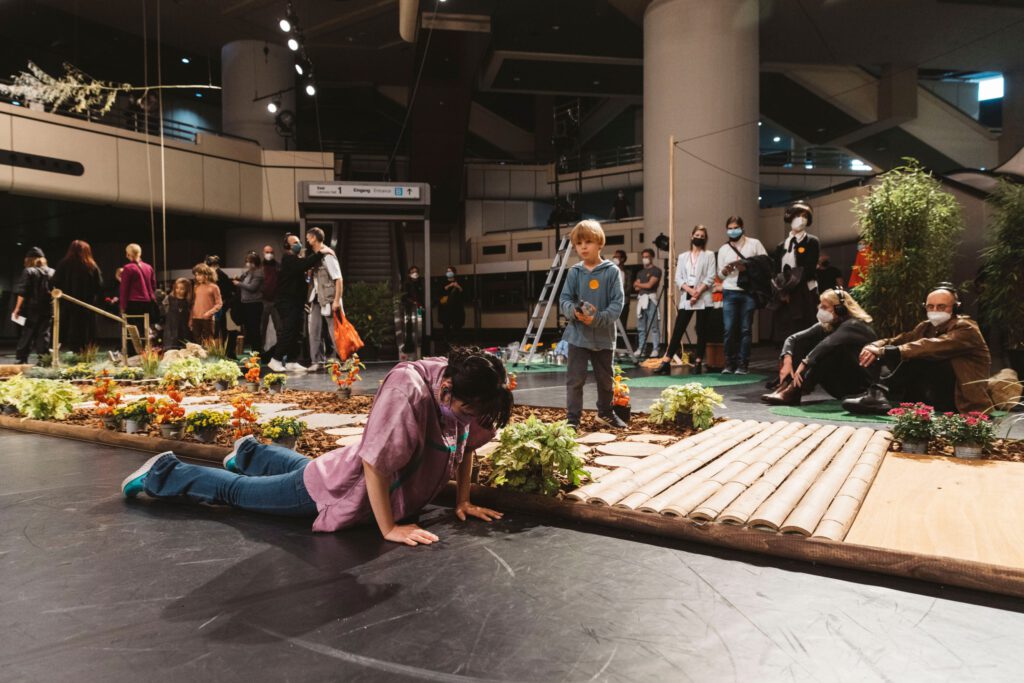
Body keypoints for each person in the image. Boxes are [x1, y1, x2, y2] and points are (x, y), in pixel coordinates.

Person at [120, 347, 513, 545]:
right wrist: (389, 528)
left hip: (346, 473)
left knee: (316, 469)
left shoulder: (471, 387)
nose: (468, 419)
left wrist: (462, 500)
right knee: (235, 491)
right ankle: (164, 473)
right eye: (465, 409)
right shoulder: (408, 390)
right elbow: (375, 464)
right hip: (339, 488)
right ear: (447, 389)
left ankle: (251, 454)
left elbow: (467, 444)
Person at [843, 284, 993, 414]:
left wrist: (887, 351)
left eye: (941, 306)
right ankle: (877, 394)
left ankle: (879, 393)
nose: (935, 310)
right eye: (930, 306)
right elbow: (899, 340)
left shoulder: (966, 328)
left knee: (920, 354)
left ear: (955, 308)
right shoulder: (926, 327)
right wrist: (874, 346)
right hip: (934, 393)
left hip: (962, 399)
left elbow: (931, 345)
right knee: (898, 352)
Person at [559, 220, 626, 430]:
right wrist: (574, 312)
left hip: (604, 337)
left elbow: (617, 304)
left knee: (606, 380)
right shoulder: (574, 272)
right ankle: (572, 421)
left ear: (600, 243)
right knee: (575, 381)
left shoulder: (612, 271)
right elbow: (564, 300)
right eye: (579, 243)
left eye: (588, 242)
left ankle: (605, 414)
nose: (583, 247)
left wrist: (597, 319)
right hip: (578, 337)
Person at [761, 289, 877, 406]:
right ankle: (787, 387)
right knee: (803, 342)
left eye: (825, 307)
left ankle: (793, 390)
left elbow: (828, 343)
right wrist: (786, 359)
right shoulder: (830, 325)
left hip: (862, 385)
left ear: (840, 309)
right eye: (820, 306)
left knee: (827, 351)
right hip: (841, 385)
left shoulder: (854, 324)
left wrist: (805, 362)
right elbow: (793, 339)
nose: (820, 309)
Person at [656, 225, 717, 375]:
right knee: (678, 329)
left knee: (702, 330)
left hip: (704, 296)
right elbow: (678, 278)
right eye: (697, 235)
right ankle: (666, 361)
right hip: (687, 296)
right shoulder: (683, 256)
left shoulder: (709, 255)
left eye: (702, 236)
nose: (699, 238)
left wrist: (698, 292)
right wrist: (690, 291)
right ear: (691, 236)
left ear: (705, 239)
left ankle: (697, 362)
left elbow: (710, 276)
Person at [268, 233, 329, 373]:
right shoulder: (288, 259)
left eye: (299, 241)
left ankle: (291, 361)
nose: (299, 244)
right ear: (287, 245)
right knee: (288, 330)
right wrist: (321, 253)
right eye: (295, 242)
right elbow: (304, 264)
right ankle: (275, 360)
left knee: (297, 331)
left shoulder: (295, 259)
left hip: (296, 302)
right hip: (287, 302)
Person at [718, 216, 768, 374]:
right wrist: (725, 271)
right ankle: (729, 363)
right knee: (728, 329)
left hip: (749, 292)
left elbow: (765, 263)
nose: (733, 231)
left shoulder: (754, 243)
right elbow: (720, 275)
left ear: (742, 228)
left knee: (745, 329)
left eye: (735, 227)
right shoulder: (724, 249)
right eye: (730, 228)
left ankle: (743, 364)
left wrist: (747, 267)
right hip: (729, 291)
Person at [771, 202, 820, 343]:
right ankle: (786, 361)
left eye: (805, 216)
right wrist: (781, 291)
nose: (801, 219)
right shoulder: (781, 246)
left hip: (804, 292)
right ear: (790, 217)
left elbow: (809, 269)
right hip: (783, 296)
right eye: (798, 215)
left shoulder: (812, 241)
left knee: (804, 328)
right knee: (784, 329)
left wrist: (791, 288)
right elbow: (775, 271)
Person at [51, 240, 104, 353]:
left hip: (68, 304)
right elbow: (99, 286)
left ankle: (73, 352)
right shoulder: (91, 265)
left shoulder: (63, 263)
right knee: (86, 331)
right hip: (87, 305)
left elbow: (54, 282)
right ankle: (85, 355)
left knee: (71, 329)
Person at [305, 227, 343, 372]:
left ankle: (344, 360)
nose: (307, 240)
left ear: (314, 238)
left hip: (328, 298)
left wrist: (337, 300)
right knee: (314, 330)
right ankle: (317, 361)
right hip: (316, 297)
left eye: (309, 237)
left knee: (335, 331)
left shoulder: (328, 255)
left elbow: (338, 279)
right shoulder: (316, 255)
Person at [11, 247, 54, 364]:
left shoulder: (29, 271)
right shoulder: (52, 271)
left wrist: (17, 309)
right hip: (48, 308)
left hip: (31, 309)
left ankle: (22, 358)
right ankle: (44, 359)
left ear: (29, 259)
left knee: (28, 333)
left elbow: (22, 292)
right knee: (44, 334)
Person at [119, 243, 157, 331]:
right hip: (147, 303)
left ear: (128, 254)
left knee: (132, 331)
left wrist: (122, 307)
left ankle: (133, 345)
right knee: (145, 330)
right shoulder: (148, 267)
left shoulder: (128, 268)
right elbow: (153, 286)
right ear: (140, 253)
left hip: (133, 304)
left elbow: (124, 289)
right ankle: (145, 345)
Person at [233, 252, 265, 354]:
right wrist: (239, 279)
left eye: (250, 262)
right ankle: (250, 350)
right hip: (245, 304)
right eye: (247, 262)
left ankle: (257, 351)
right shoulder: (248, 272)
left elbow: (252, 288)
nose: (248, 264)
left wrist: (239, 284)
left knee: (254, 329)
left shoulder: (258, 273)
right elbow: (244, 282)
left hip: (254, 304)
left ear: (255, 262)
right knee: (248, 329)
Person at [633, 248, 662, 358]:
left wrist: (639, 284)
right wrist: (640, 285)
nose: (645, 259)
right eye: (643, 257)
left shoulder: (656, 270)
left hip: (651, 299)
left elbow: (650, 285)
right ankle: (641, 349)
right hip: (641, 299)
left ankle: (655, 349)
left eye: (647, 256)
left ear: (652, 257)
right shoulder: (640, 272)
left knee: (654, 326)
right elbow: (635, 287)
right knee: (641, 327)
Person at [205, 255, 236, 344]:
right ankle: (218, 349)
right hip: (217, 304)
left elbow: (227, 292)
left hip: (219, 304)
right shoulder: (215, 275)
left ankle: (220, 349)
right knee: (218, 326)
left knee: (218, 327)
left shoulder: (220, 275)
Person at [190, 263, 222, 343]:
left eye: (199, 275)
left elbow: (219, 304)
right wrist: (190, 319)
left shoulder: (214, 287)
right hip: (195, 318)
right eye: (196, 275)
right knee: (197, 342)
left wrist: (209, 313)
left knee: (208, 341)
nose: (197, 277)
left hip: (208, 319)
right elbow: (193, 304)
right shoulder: (196, 287)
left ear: (206, 274)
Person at [259, 244, 282, 354]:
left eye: (271, 252)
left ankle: (279, 351)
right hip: (263, 301)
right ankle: (261, 351)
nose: (269, 254)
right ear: (263, 253)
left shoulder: (278, 266)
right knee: (261, 328)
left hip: (276, 301)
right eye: (267, 252)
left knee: (279, 328)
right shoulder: (260, 267)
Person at [438, 265, 465, 347]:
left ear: (454, 273)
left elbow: (463, 292)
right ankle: (446, 343)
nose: (448, 273)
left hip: (457, 309)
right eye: (447, 271)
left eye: (450, 271)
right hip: (446, 309)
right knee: (446, 326)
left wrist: (457, 286)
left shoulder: (459, 281)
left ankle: (456, 343)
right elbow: (440, 291)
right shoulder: (443, 282)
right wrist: (450, 285)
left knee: (457, 327)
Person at [162, 278, 193, 350]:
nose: (178, 290)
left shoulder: (188, 301)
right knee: (171, 344)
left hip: (184, 326)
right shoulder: (169, 298)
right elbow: (164, 308)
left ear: (187, 290)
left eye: (182, 289)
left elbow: (191, 312)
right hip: (171, 325)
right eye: (177, 288)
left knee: (183, 344)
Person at [401, 266, 425, 354]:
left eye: (416, 272)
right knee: (409, 326)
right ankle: (409, 347)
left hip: (420, 308)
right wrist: (413, 303)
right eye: (412, 272)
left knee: (421, 326)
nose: (415, 274)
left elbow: (423, 295)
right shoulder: (407, 284)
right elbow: (404, 296)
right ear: (409, 274)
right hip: (410, 309)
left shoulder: (421, 283)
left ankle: (422, 347)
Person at [613, 249, 630, 335]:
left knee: (622, 323)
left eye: (617, 257)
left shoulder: (627, 273)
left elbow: (629, 288)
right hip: (612, 302)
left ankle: (622, 344)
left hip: (624, 302)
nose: (615, 258)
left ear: (622, 259)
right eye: (614, 257)